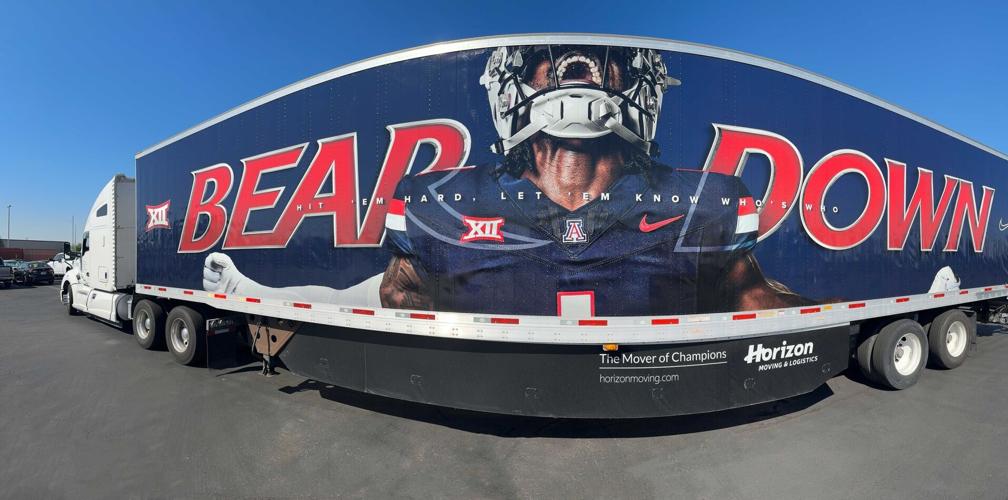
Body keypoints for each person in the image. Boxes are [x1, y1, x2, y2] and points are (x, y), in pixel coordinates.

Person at [203, 44, 812, 315]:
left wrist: (839, 325)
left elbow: (756, 302)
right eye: (555, 63)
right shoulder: (443, 197)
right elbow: (394, 297)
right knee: (385, 289)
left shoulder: (702, 199)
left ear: (640, 86)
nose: (583, 73)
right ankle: (259, 294)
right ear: (515, 82)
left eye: (610, 67)